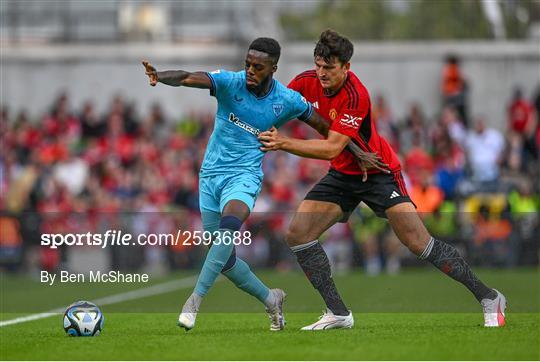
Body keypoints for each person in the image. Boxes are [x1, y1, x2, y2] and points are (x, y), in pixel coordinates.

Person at [259, 29, 506, 330]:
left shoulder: (355, 94)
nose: (321, 73)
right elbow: (275, 108)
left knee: (418, 243)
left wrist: (282, 143)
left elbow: (330, 147)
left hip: (379, 174)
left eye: (329, 68)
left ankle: (489, 296)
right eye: (318, 65)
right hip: (343, 175)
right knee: (298, 232)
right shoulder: (306, 81)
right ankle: (338, 312)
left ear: (346, 67)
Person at [142, 37, 384, 332]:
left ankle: (193, 302)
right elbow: (190, 77)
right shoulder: (231, 83)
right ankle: (271, 299)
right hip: (210, 176)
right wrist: (160, 76)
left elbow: (324, 128)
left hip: (244, 177)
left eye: (257, 66)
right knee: (224, 260)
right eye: (247, 64)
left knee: (226, 233)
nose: (250, 71)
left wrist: (358, 152)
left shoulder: (288, 100)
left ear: (273, 68)